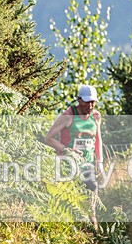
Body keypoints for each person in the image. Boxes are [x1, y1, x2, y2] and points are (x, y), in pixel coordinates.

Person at [44, 85, 103, 228]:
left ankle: (93, 229)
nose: (89, 105)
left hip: (87, 164)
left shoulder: (95, 116)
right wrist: (67, 150)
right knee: (68, 203)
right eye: (86, 102)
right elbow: (48, 138)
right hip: (67, 165)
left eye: (92, 102)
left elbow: (97, 139)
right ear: (79, 100)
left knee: (91, 195)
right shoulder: (68, 116)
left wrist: (100, 161)